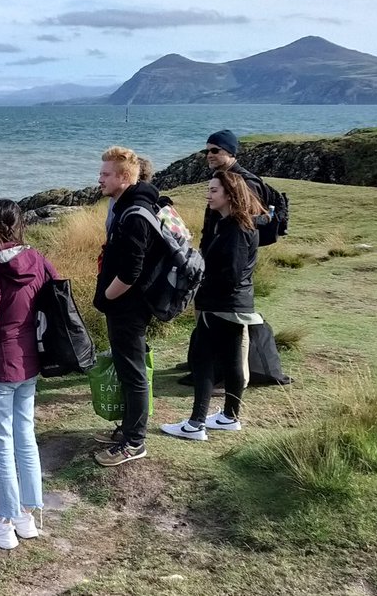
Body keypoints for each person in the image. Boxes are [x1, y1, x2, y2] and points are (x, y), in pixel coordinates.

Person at [0, 199, 57, 550]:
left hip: (1, 363)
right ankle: (26, 516)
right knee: (25, 436)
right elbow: (55, 292)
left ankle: (3, 523)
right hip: (30, 360)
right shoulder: (37, 258)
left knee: (1, 442)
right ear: (20, 224)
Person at [162, 171, 265, 440]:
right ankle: (230, 416)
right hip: (234, 303)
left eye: (214, 191)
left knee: (201, 358)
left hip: (221, 304)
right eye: (208, 189)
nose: (208, 195)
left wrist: (201, 280)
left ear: (231, 194)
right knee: (230, 359)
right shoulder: (234, 224)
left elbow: (231, 273)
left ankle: (196, 424)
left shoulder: (235, 229)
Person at [92, 146, 164, 467]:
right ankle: (128, 431)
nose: (100, 179)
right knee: (127, 369)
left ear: (124, 177)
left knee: (133, 373)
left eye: (106, 174)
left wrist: (107, 296)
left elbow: (131, 272)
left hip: (129, 308)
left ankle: (134, 442)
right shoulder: (130, 205)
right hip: (128, 307)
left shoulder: (134, 215)